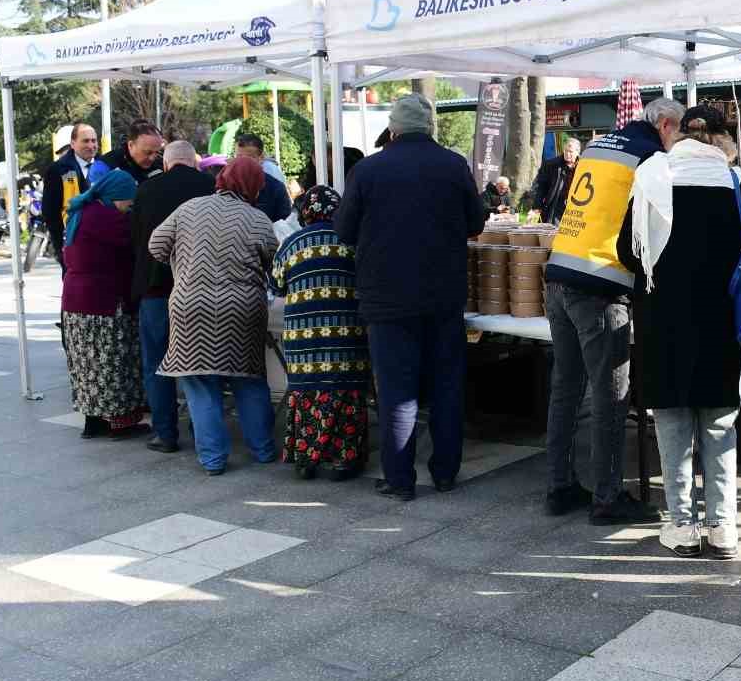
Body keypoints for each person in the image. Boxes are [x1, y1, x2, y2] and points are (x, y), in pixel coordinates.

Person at [617, 106, 741, 559]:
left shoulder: (652, 179)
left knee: (672, 423)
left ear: (680, 136)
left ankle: (682, 525)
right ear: (723, 141)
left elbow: (627, 251)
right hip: (721, 322)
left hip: (664, 322)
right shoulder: (738, 185)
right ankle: (723, 528)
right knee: (720, 425)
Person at [335, 94, 487, 500]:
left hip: (386, 298)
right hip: (443, 295)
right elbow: (476, 222)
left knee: (397, 392)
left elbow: (344, 230)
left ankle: (400, 479)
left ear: (393, 128)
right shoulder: (453, 165)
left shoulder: (368, 169)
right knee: (446, 387)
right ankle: (445, 473)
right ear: (430, 126)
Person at [544, 96, 684, 524]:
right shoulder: (651, 156)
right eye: (679, 133)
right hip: (600, 283)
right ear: (665, 124)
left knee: (566, 388)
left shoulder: (599, 146)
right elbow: (652, 227)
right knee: (610, 395)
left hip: (559, 271)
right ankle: (607, 498)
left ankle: (559, 487)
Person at [148, 156, 280, 474]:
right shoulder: (258, 219)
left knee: (200, 383)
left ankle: (213, 459)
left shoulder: (189, 208)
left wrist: (185, 264)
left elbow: (156, 245)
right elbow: (274, 265)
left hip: (190, 308)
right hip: (243, 310)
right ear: (254, 186)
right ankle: (263, 450)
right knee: (249, 379)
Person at [271, 185, 369, 480]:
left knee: (307, 391)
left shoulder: (291, 243)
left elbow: (276, 286)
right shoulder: (354, 240)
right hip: (346, 335)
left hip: (304, 340)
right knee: (346, 391)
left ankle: (306, 459)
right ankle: (343, 461)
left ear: (305, 212)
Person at [129, 140, 216, 454]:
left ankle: (165, 433)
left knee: (157, 363)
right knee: (202, 362)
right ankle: (202, 430)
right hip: (200, 290)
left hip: (156, 289)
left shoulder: (146, 190)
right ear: (194, 162)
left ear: (166, 163)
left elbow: (136, 239)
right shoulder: (209, 186)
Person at [60, 169, 148, 439]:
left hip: (76, 302)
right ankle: (120, 423)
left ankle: (93, 422)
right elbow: (136, 246)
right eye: (128, 200)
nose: (130, 205)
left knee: (86, 365)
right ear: (115, 196)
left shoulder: (82, 212)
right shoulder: (108, 218)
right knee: (113, 362)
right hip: (104, 302)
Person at [42, 122, 99, 272]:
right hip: (72, 244)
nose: (91, 145)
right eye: (85, 141)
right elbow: (50, 213)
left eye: (94, 141)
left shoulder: (106, 166)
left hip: (102, 245)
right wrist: (61, 249)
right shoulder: (57, 170)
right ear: (73, 143)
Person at [233, 133, 293, 222]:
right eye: (239, 157)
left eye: (249, 158)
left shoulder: (276, 188)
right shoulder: (228, 185)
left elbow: (284, 223)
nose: (243, 163)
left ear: (261, 158)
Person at [98, 120, 164, 187]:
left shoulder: (161, 165)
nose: (152, 158)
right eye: (148, 152)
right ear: (131, 145)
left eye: (157, 152)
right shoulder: (106, 166)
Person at [532, 138, 581, 223]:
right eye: (566, 151)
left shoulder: (583, 167)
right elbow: (541, 188)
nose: (567, 154)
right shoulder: (551, 165)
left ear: (577, 153)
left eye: (570, 152)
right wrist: (537, 206)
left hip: (574, 207)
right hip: (555, 206)